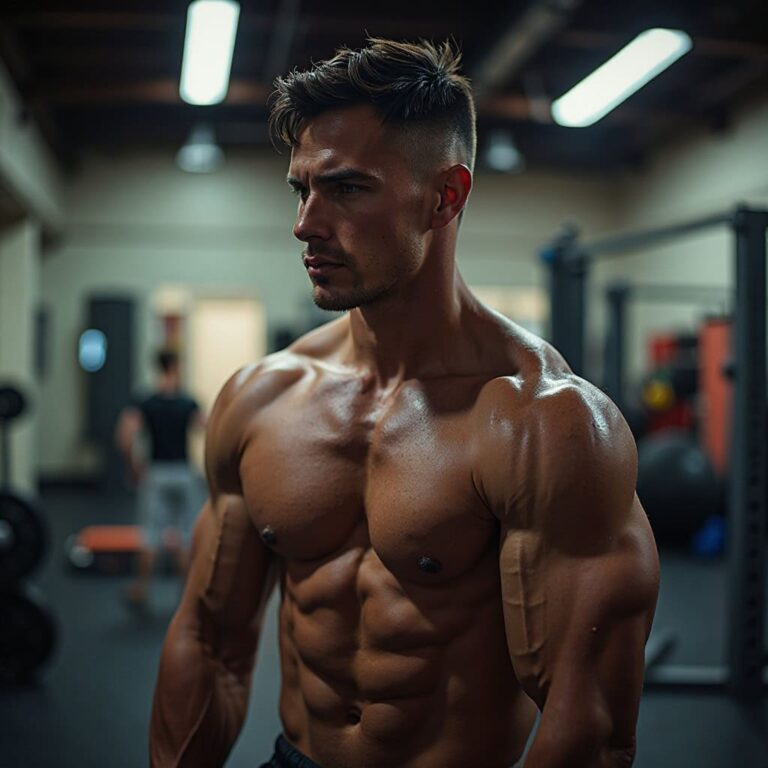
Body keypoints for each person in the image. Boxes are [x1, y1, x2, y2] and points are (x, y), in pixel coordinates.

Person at [150, 38, 660, 768]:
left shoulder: (542, 424)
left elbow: (591, 723)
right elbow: (210, 641)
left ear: (445, 196)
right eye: (302, 189)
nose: (306, 223)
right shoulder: (262, 398)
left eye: (348, 189)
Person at [116, 349, 204, 607]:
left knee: (150, 535)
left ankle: (141, 590)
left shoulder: (145, 401)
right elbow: (211, 429)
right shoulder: (188, 402)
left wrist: (133, 466)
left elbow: (124, 437)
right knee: (186, 536)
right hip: (184, 473)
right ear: (176, 366)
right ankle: (187, 595)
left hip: (156, 472)